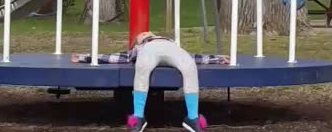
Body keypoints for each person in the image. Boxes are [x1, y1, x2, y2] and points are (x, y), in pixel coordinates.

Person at [72, 32, 229, 132]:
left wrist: (218, 58)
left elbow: (195, 57)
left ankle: (192, 118)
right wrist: (84, 57)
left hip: (173, 50)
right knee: (143, 67)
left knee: (190, 67)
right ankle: (138, 116)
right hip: (149, 51)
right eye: (143, 34)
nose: (148, 32)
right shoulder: (141, 46)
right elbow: (115, 57)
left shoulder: (171, 42)